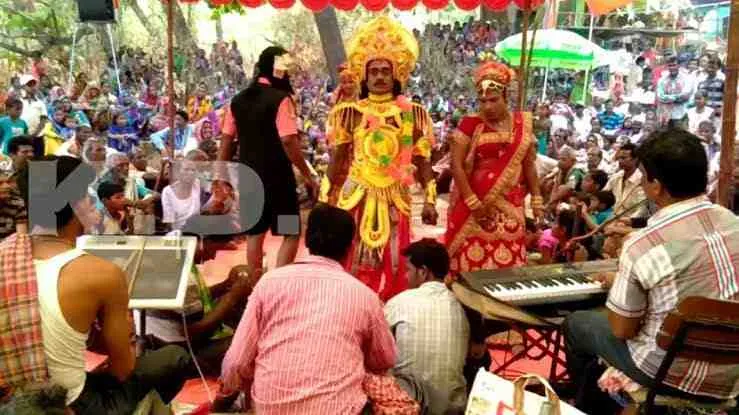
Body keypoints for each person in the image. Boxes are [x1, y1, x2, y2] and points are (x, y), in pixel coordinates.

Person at [563, 129, 739, 414]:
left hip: (667, 372)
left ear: (656, 186)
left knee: (578, 324)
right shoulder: (733, 223)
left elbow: (622, 329)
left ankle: (587, 407)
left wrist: (620, 285)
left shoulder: (643, 244)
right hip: (732, 375)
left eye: (644, 177)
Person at [1, 156, 191, 414]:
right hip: (70, 405)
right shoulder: (102, 274)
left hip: (12, 401)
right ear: (76, 204)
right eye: (87, 195)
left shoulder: (6, 255)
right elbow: (123, 370)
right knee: (174, 357)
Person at [221, 204, 397, 414]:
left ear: (307, 239)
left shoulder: (268, 283)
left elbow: (235, 363)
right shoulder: (364, 296)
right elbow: (385, 359)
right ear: (351, 247)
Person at [323, 17, 439, 301]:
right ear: (364, 76)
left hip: (395, 195)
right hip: (357, 195)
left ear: (396, 75)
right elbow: (338, 159)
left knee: (397, 257)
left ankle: (392, 306)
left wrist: (430, 198)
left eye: (385, 71)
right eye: (373, 71)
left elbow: (421, 159)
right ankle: (352, 305)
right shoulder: (350, 113)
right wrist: (324, 199)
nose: (379, 77)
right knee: (352, 254)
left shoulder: (411, 114)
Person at [218, 46, 318, 282]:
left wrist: (221, 176)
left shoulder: (237, 101)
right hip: (278, 179)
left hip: (248, 177)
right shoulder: (281, 99)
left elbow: (226, 140)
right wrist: (307, 174)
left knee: (255, 233)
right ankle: (278, 283)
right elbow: (288, 140)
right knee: (290, 231)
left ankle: (255, 286)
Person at [445, 60, 541, 273]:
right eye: (482, 101)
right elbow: (456, 165)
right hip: (476, 206)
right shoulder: (470, 124)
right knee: (472, 262)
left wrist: (537, 198)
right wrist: (472, 202)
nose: (487, 106)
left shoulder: (522, 125)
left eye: (493, 100)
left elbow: (529, 165)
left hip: (511, 205)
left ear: (505, 96)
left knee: (509, 267)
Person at [384, 239, 470, 412]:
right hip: (452, 409)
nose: (405, 276)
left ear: (423, 272)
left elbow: (377, 352)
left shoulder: (399, 303)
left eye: (408, 270)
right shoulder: (463, 305)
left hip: (407, 407)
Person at [603, 143, 647, 218]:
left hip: (631, 222)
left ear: (635, 159)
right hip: (610, 218)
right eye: (619, 158)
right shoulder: (616, 176)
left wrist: (627, 221)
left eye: (623, 158)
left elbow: (642, 210)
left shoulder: (642, 179)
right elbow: (603, 195)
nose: (620, 161)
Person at [161, 158, 201, 231]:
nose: (191, 173)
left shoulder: (196, 184)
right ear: (178, 172)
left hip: (197, 232)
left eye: (193, 170)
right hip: (178, 233)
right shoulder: (168, 192)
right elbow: (169, 221)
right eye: (186, 169)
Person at [656, 56, 693, 128]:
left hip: (681, 114)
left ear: (679, 65)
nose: (672, 68)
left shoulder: (687, 79)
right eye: (670, 65)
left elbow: (685, 96)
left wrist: (667, 98)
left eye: (674, 65)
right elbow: (660, 96)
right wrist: (677, 97)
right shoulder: (662, 80)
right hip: (665, 115)